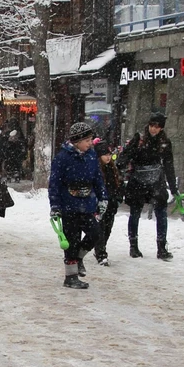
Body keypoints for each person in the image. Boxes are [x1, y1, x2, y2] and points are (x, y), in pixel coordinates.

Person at [48, 122, 110, 289]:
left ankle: (79, 257)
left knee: (95, 234)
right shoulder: (62, 158)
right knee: (71, 240)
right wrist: (55, 205)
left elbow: (98, 178)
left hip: (87, 204)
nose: (90, 143)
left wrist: (103, 197)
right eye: (87, 140)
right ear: (76, 141)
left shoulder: (91, 156)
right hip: (69, 205)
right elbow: (54, 183)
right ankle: (71, 276)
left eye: (91, 140)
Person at [117, 113, 178, 260]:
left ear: (161, 128)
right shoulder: (139, 139)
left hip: (156, 180)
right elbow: (126, 155)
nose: (153, 129)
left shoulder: (165, 142)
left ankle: (161, 247)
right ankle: (133, 246)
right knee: (135, 213)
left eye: (157, 127)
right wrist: (121, 164)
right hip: (138, 180)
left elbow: (169, 165)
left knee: (161, 213)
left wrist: (173, 187)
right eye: (152, 125)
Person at [92, 137, 123, 266]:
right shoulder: (95, 169)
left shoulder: (112, 169)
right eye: (105, 154)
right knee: (100, 228)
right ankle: (101, 253)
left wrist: (118, 197)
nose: (108, 157)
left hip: (111, 204)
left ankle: (101, 248)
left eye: (109, 154)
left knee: (107, 229)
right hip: (99, 204)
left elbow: (117, 185)